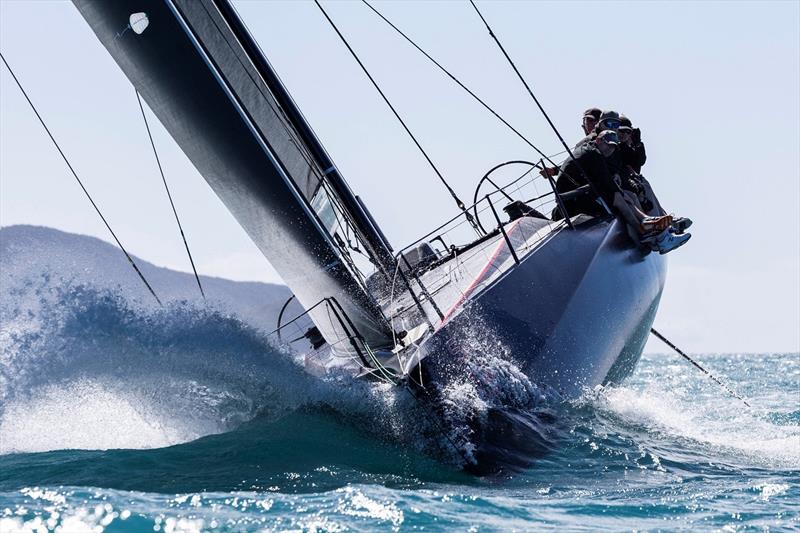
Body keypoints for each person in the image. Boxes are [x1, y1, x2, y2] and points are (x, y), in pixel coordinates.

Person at [555, 130, 690, 254]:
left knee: (626, 194)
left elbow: (604, 178)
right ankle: (643, 228)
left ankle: (646, 223)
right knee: (618, 196)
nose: (610, 149)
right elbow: (606, 181)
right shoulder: (592, 154)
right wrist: (617, 187)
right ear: (598, 141)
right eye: (607, 145)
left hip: (579, 194)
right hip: (570, 200)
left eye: (613, 146)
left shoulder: (592, 151)